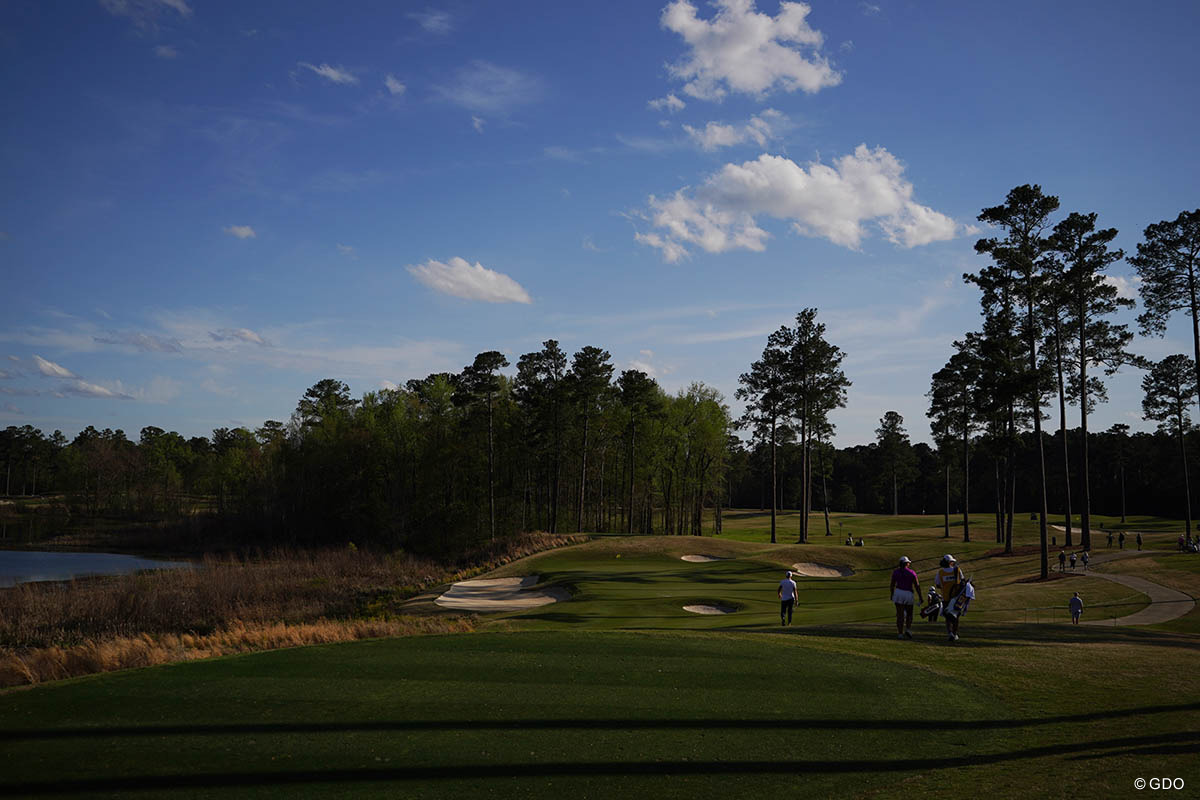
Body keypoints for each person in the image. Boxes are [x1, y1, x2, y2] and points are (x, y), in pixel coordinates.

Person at [890, 556, 921, 640]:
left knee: (900, 615)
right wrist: (920, 597)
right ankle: (908, 629)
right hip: (908, 593)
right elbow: (917, 585)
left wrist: (892, 594)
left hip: (899, 592)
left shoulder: (896, 572)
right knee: (909, 613)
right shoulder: (912, 572)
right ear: (907, 564)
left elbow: (892, 585)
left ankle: (900, 633)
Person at [935, 554, 965, 641]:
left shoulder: (940, 572)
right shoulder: (957, 570)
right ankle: (955, 633)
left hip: (946, 597)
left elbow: (937, 584)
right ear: (950, 562)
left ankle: (950, 633)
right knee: (956, 616)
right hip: (956, 597)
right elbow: (962, 581)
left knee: (948, 617)